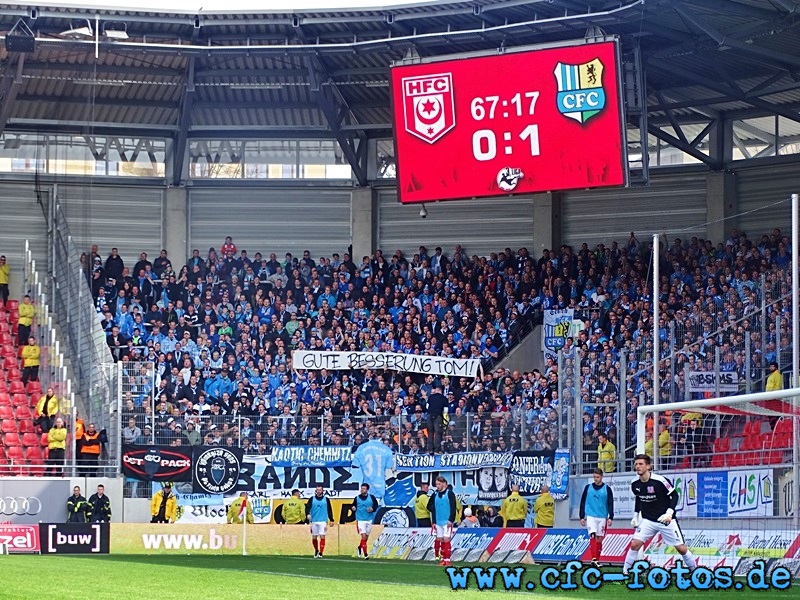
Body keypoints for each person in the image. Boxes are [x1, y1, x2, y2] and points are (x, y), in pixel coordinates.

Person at [623, 453, 697, 576]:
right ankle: (625, 572)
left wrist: (669, 513)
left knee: (681, 548)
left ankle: (695, 570)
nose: (637, 466)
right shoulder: (634, 483)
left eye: (641, 464)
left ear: (648, 466)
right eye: (636, 464)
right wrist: (636, 514)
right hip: (648, 520)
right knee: (635, 544)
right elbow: (639, 498)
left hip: (665, 519)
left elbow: (675, 495)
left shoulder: (660, 480)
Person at [579, 468, 615, 568]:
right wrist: (582, 516)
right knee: (593, 535)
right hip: (591, 515)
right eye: (594, 477)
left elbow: (610, 503)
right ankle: (593, 558)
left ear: (602, 477)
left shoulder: (607, 489)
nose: (596, 479)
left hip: (602, 516)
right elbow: (582, 502)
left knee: (599, 539)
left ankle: (597, 559)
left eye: (597, 477)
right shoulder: (588, 488)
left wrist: (610, 516)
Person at [427, 475, 456, 566]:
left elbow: (453, 507)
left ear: (444, 484)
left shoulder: (450, 494)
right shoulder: (435, 494)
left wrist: (451, 519)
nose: (437, 486)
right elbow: (429, 506)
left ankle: (447, 559)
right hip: (438, 521)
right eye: (436, 484)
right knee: (441, 539)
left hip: (446, 521)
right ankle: (443, 559)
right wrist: (435, 512)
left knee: (446, 539)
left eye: (439, 484)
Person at [350, 483, 378, 559]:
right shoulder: (357, 498)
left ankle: (359, 547)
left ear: (367, 490)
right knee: (363, 536)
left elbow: (376, 505)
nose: (362, 490)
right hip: (360, 520)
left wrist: (373, 509)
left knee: (365, 538)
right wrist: (353, 508)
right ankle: (366, 554)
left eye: (364, 489)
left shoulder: (372, 497)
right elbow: (353, 505)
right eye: (361, 488)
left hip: (369, 519)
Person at [305, 484, 334, 558]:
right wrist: (307, 514)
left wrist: (331, 519)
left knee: (322, 536)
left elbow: (329, 509)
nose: (318, 491)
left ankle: (321, 552)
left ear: (322, 491)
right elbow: (307, 508)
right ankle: (316, 550)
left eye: (320, 490)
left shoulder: (326, 499)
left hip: (323, 520)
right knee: (314, 537)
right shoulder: (312, 499)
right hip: (314, 520)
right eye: (317, 490)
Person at [425, 385, 447, 454]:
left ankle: (430, 449)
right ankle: (437, 449)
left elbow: (427, 406)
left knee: (430, 433)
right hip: (438, 416)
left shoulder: (431, 397)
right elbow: (446, 410)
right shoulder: (443, 398)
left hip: (429, 415)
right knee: (438, 432)